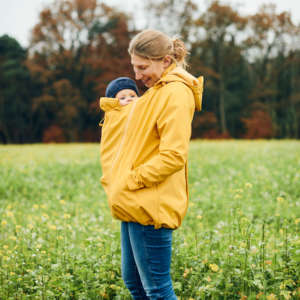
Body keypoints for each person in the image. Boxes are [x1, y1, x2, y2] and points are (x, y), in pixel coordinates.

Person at [99, 29, 204, 299]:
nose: (137, 76)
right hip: (134, 201)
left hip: (149, 203)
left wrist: (132, 179)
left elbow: (173, 155)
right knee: (136, 285)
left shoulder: (176, 93)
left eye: (143, 67)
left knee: (157, 289)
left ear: (166, 61)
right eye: (135, 67)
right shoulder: (157, 91)